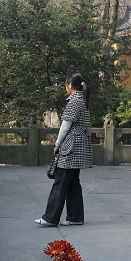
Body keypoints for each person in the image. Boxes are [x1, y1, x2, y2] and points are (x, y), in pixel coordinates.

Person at [36, 73, 92, 227]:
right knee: (73, 183)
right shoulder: (83, 100)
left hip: (71, 147)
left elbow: (65, 126)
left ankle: (50, 218)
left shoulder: (74, 101)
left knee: (60, 183)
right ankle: (75, 217)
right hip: (80, 146)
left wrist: (58, 144)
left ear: (69, 85)